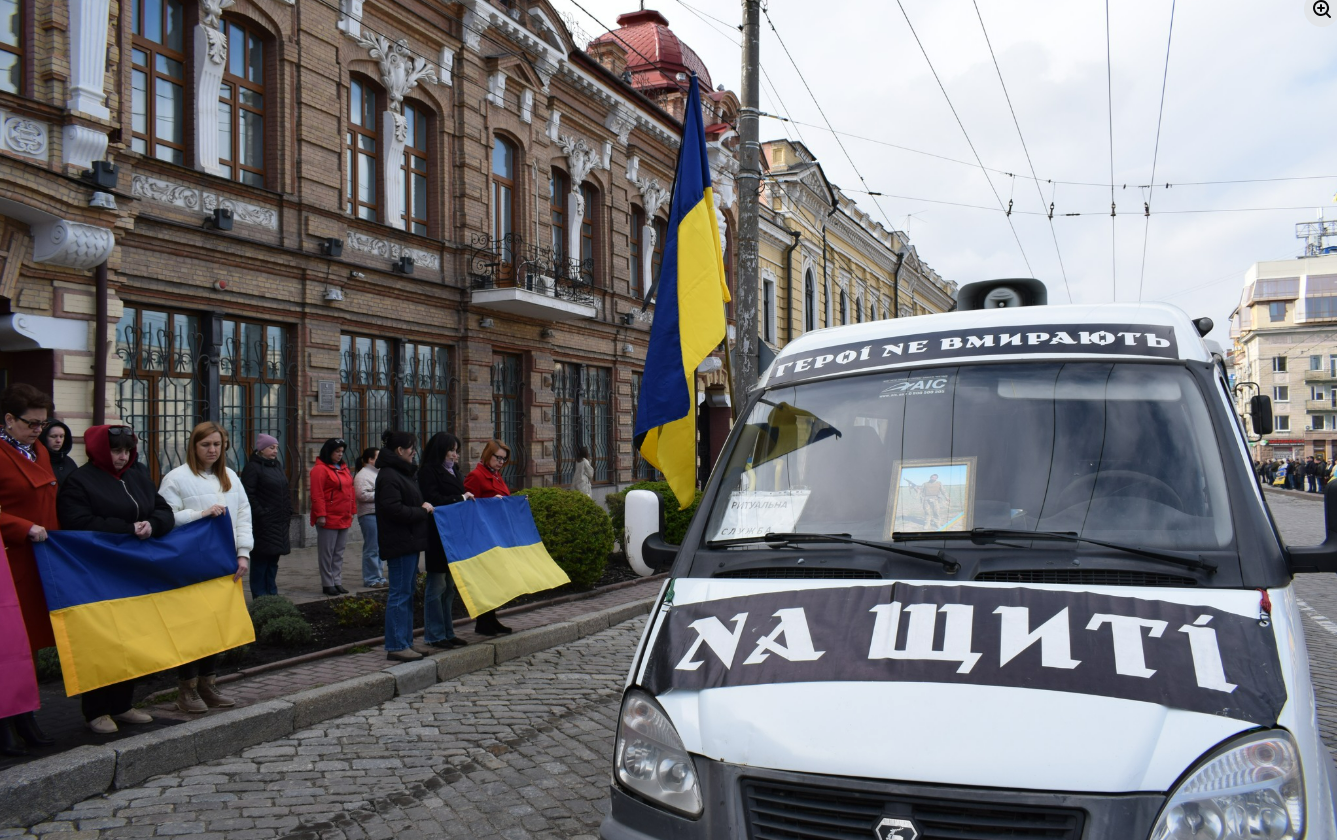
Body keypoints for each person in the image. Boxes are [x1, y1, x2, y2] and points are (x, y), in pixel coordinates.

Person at [57, 425, 174, 734]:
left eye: (127, 450)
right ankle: (96, 710)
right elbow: (76, 522)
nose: (123, 457)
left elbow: (164, 510)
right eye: (116, 451)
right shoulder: (79, 482)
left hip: (135, 572)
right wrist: (126, 529)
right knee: (102, 641)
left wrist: (153, 524)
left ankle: (123, 704)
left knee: (132, 638)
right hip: (97, 573)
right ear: (99, 450)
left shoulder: (138, 476)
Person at [159, 422, 253, 714]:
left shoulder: (231, 477)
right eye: (205, 445)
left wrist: (243, 553)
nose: (212, 450)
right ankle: (186, 689)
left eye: (217, 444)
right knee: (192, 628)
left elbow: (243, 515)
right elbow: (166, 518)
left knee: (217, 627)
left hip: (225, 563)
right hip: (191, 563)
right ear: (194, 446)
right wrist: (200, 514)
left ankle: (208, 684)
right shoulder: (176, 479)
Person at [0, 384, 58, 755]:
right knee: (6, 644)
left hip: (39, 560)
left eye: (43, 423)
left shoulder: (38, 451)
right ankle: (4, 721)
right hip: (8, 560)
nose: (39, 430)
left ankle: (25, 714)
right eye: (31, 423)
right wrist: (22, 528)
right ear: (8, 419)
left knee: (30, 644)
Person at [374, 431, 434, 661]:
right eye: (411, 447)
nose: (415, 451)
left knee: (407, 593)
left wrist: (421, 505)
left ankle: (405, 641)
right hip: (399, 543)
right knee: (399, 595)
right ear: (400, 451)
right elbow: (393, 509)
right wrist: (421, 511)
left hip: (408, 541)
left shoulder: (402, 473)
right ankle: (397, 645)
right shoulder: (389, 475)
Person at [418, 433, 473, 650]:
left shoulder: (455, 472)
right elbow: (434, 499)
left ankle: (448, 632)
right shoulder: (428, 472)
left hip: (454, 535)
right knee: (437, 586)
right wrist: (461, 498)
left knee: (450, 587)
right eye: (451, 450)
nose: (455, 455)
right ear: (440, 450)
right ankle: (434, 634)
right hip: (437, 535)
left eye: (456, 450)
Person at [464, 439, 514, 636]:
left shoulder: (497, 476)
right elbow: (469, 506)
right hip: (483, 535)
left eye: (504, 459)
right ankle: (483, 622)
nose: (501, 462)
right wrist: (492, 503)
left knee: (496, 578)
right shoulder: (476, 476)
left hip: (497, 534)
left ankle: (492, 618)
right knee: (486, 579)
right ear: (487, 455)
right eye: (498, 457)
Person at [240, 434, 291, 599]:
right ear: (261, 449)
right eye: (271, 447)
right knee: (261, 561)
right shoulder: (253, 468)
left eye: (276, 447)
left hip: (279, 522)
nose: (275, 450)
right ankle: (260, 596)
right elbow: (248, 494)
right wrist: (261, 513)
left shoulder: (276, 466)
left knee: (273, 562)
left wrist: (287, 511)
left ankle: (272, 593)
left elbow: (284, 490)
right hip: (262, 523)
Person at [310, 438, 355, 596]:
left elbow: (350, 490)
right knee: (327, 553)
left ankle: (337, 581)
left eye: (342, 452)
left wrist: (352, 511)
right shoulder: (320, 469)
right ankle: (327, 583)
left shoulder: (343, 468)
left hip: (343, 516)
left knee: (339, 552)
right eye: (337, 451)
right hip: (328, 517)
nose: (340, 454)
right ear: (328, 452)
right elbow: (317, 494)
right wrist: (321, 514)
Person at [354, 447, 386, 589]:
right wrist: (382, 495)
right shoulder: (363, 475)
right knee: (372, 548)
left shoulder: (377, 473)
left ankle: (379, 576)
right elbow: (361, 495)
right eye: (378, 456)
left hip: (378, 514)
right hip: (369, 514)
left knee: (379, 547)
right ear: (370, 460)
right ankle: (371, 578)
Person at [39, 420, 77, 485]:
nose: (58, 440)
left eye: (61, 436)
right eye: (53, 436)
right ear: (44, 437)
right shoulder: (35, 460)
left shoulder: (69, 462)